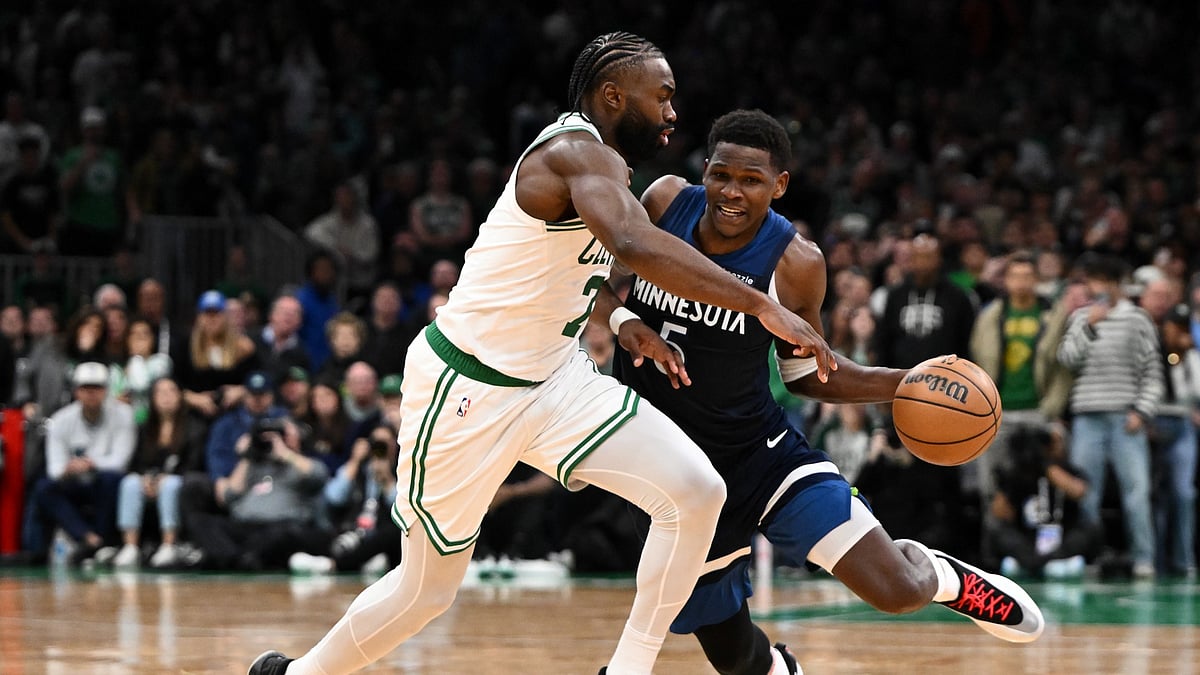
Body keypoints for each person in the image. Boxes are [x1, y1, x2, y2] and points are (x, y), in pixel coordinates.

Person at [249, 32, 837, 675]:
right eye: (663, 97)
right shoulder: (572, 152)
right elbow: (633, 243)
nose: (674, 113)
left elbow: (581, 273)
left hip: (555, 380)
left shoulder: (606, 164)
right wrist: (760, 303)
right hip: (468, 388)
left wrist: (619, 317)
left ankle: (627, 670)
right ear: (615, 96)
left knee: (697, 491)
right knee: (426, 591)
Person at [606, 110, 1044, 675]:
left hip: (760, 457)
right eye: (721, 175)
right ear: (704, 171)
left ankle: (943, 575)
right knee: (736, 659)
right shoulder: (666, 202)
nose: (731, 192)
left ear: (779, 185)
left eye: (751, 180)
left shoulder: (795, 262)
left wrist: (908, 383)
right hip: (670, 473)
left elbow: (808, 374)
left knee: (897, 591)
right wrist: (621, 320)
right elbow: (579, 278)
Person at [1058, 252, 1163, 579]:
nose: (1097, 287)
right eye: (1093, 281)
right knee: (1085, 492)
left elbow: (1153, 372)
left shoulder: (1138, 319)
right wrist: (1088, 327)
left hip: (1125, 418)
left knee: (1136, 492)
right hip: (1087, 416)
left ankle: (1143, 559)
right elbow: (1066, 360)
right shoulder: (1080, 318)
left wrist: (1141, 412)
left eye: (1103, 281)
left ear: (1117, 284)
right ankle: (1088, 556)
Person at [30, 362, 136, 563]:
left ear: (106, 390)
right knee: (44, 487)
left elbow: (121, 461)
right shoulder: (61, 420)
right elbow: (54, 469)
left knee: (111, 479)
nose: (91, 394)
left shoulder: (123, 414)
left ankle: (102, 541)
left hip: (104, 481)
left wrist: (91, 463)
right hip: (74, 481)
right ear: (76, 391)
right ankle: (90, 539)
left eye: (97, 388)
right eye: (86, 388)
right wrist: (69, 469)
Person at [110, 376, 205, 568]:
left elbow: (195, 464)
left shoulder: (195, 427)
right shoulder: (145, 428)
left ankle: (169, 544)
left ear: (180, 396)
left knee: (170, 485)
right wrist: (145, 479)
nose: (166, 397)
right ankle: (130, 546)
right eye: (160, 392)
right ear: (152, 398)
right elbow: (135, 463)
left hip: (179, 480)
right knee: (130, 483)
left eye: (171, 391)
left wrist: (168, 477)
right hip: (151, 481)